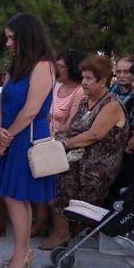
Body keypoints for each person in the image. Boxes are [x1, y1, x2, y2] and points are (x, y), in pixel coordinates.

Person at [0, 12, 56, 268]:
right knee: (13, 197)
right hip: (12, 135)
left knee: (16, 197)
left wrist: (7, 136)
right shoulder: (18, 65)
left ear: (26, 37)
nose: (8, 43)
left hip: (25, 137)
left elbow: (31, 110)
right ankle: (23, 251)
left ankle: (21, 253)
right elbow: (3, 100)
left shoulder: (43, 66)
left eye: (12, 38)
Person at [45, 55, 129, 250]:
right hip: (78, 157)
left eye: (89, 78)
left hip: (98, 163)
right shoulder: (85, 101)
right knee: (52, 172)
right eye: (83, 77)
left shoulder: (111, 104)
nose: (83, 82)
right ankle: (61, 231)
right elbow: (69, 126)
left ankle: (68, 233)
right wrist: (53, 140)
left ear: (103, 80)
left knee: (62, 176)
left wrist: (64, 144)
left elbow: (94, 135)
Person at [30, 48, 86, 239]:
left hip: (62, 142)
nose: (57, 69)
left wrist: (51, 140)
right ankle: (41, 220)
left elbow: (72, 122)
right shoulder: (55, 87)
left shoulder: (79, 92)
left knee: (48, 173)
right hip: (45, 138)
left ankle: (55, 227)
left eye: (61, 66)